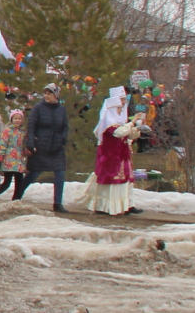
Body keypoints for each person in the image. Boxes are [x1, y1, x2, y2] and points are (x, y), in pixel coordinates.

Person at [77, 86, 143, 215]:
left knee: (126, 180)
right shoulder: (109, 120)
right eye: (120, 104)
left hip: (122, 154)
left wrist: (136, 129)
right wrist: (132, 123)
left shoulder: (120, 119)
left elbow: (127, 133)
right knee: (112, 181)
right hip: (111, 156)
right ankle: (105, 206)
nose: (122, 107)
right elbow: (118, 132)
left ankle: (128, 204)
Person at [24, 82, 70, 212]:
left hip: (57, 146)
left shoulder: (61, 110)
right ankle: (17, 195)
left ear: (56, 95)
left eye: (50, 93)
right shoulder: (38, 108)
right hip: (41, 145)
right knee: (34, 173)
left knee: (60, 173)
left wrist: (62, 139)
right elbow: (31, 126)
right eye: (45, 93)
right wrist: (31, 143)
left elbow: (65, 126)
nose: (47, 95)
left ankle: (57, 203)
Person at [0, 108, 29, 204]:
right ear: (11, 119)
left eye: (20, 118)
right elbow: (2, 145)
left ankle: (15, 200)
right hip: (8, 160)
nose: (18, 120)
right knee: (7, 183)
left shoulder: (23, 132)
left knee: (19, 182)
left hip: (19, 160)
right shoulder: (7, 131)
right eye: (16, 118)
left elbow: (25, 145)